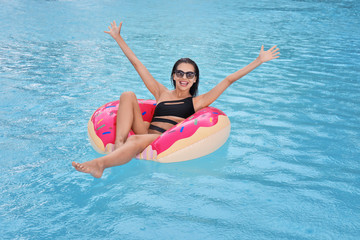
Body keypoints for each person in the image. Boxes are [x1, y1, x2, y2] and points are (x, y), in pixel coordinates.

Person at [72, 20, 280, 178]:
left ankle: (101, 164)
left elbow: (228, 80)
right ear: (173, 75)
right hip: (147, 132)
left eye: (190, 75)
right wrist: (118, 38)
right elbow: (137, 64)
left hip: (161, 140)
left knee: (135, 139)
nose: (184, 78)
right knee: (127, 95)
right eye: (180, 73)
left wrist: (258, 61)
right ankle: (118, 145)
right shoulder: (161, 93)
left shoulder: (197, 102)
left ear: (195, 79)